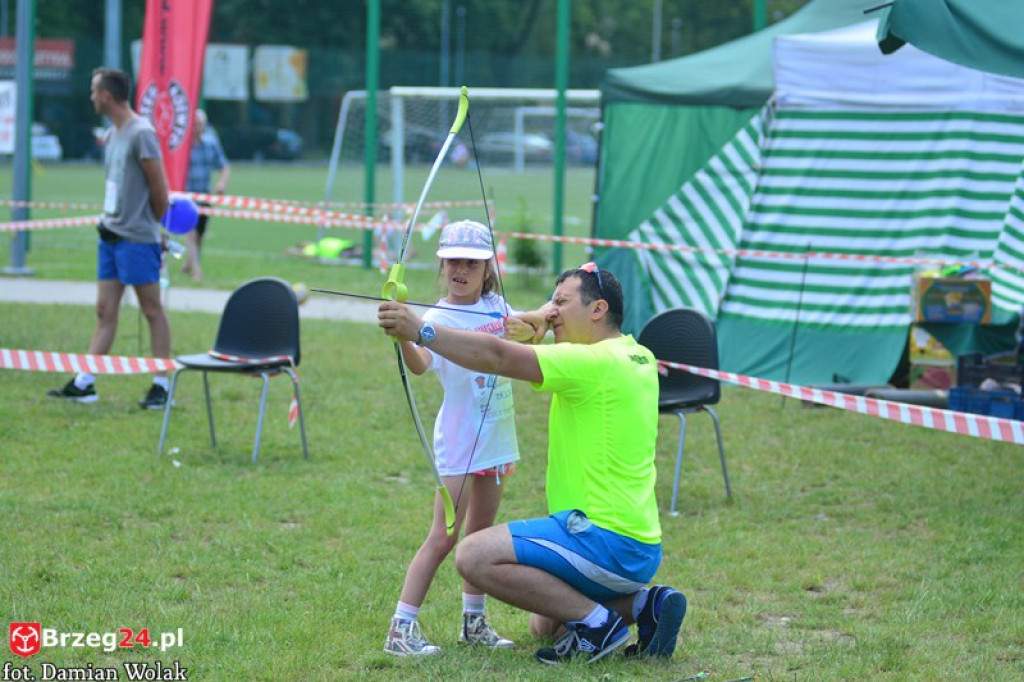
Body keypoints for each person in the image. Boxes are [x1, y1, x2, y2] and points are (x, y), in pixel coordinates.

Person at [378, 263, 687, 664]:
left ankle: (598, 625)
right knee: (545, 625)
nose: (551, 311)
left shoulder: (590, 364)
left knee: (472, 556)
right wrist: (538, 324)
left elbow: (495, 355)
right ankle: (646, 605)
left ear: (597, 310)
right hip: (640, 547)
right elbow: (525, 342)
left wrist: (422, 331)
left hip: (601, 540)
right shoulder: (636, 354)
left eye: (561, 302)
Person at [383, 219, 537, 657]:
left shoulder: (496, 305)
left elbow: (522, 332)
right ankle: (401, 627)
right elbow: (419, 364)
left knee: (479, 538)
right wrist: (404, 334)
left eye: (471, 262)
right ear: (442, 265)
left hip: (497, 439)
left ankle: (474, 622)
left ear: (488, 268)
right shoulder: (435, 318)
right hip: (460, 440)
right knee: (444, 536)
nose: (461, 270)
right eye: (453, 261)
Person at [47, 67, 172, 409]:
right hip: (111, 237)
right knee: (104, 310)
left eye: (93, 91)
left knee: (151, 310)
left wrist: (154, 229)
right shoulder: (112, 134)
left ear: (106, 95)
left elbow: (160, 190)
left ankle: (161, 385)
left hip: (137, 239)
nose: (90, 97)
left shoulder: (141, 133)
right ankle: (86, 383)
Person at [181, 108, 230, 282]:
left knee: (199, 235)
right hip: (186, 197)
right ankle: (196, 271)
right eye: (194, 124)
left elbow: (224, 165)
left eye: (200, 124)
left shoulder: (211, 143)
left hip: (204, 196)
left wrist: (221, 183)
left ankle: (187, 265)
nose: (197, 127)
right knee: (191, 233)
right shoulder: (182, 146)